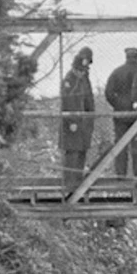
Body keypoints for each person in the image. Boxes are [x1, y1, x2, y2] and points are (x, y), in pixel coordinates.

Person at [104, 46, 137, 176]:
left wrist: (117, 104)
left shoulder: (117, 72)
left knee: (121, 145)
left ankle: (121, 174)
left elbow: (108, 93)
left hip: (120, 114)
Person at [60, 46, 95, 189]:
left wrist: (90, 117)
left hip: (84, 122)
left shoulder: (85, 79)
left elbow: (89, 100)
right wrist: (71, 121)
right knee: (72, 153)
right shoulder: (69, 79)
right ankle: (69, 183)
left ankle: (78, 183)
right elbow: (67, 102)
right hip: (72, 123)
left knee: (81, 152)